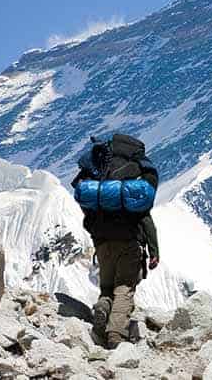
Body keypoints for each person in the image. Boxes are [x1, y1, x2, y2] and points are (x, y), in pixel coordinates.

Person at [71, 134, 160, 349]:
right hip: (129, 243)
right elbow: (145, 220)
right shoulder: (133, 183)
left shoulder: (99, 176)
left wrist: (98, 236)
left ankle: (103, 307)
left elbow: (88, 217)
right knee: (124, 288)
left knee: (107, 287)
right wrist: (154, 250)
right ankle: (116, 335)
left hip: (103, 243)